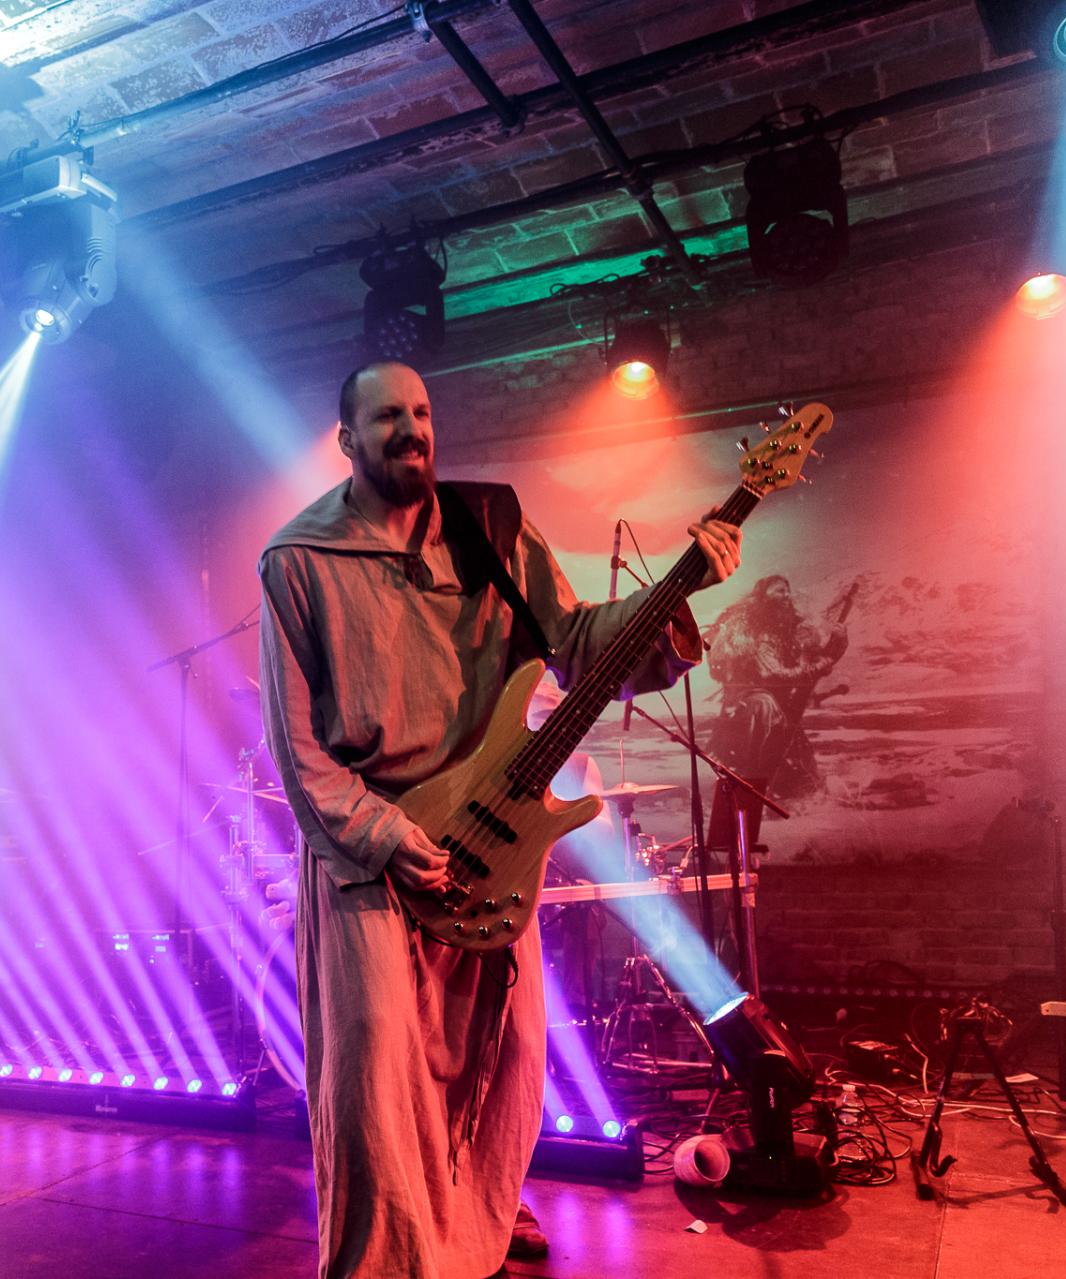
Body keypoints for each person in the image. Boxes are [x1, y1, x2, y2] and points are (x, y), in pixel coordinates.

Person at [258, 360, 740, 1279]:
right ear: (347, 439)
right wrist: (383, 836)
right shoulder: (298, 561)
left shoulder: (492, 529)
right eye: (387, 416)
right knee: (374, 1082)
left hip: (491, 838)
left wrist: (679, 592)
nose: (411, 429)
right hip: (372, 851)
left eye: (422, 412)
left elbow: (580, 641)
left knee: (508, 1060)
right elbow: (298, 747)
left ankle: (464, 1239)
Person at [705, 574, 852, 798]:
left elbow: (815, 660)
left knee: (801, 770)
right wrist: (821, 664)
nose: (786, 595)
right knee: (759, 759)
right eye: (779, 591)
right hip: (752, 706)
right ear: (764, 596)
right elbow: (775, 674)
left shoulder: (789, 627)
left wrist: (838, 642)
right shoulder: (756, 631)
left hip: (780, 708)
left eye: (787, 590)